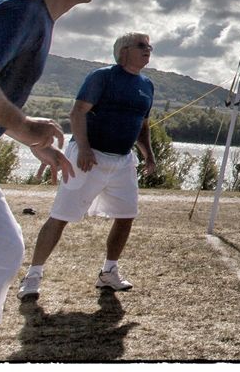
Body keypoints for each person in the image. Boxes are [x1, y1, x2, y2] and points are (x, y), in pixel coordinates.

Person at [0, 0, 95, 325]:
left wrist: (29, 138)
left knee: (2, 250)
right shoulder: (21, 11)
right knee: (1, 251)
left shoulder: (37, 18)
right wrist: (24, 124)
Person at [18, 32, 158, 300]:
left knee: (126, 215)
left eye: (149, 46)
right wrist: (83, 148)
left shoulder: (147, 85)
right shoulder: (102, 77)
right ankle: (33, 275)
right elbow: (77, 112)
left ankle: (108, 273)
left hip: (123, 160)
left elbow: (142, 125)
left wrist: (148, 155)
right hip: (88, 156)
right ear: (124, 51)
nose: (148, 49)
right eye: (142, 45)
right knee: (61, 215)